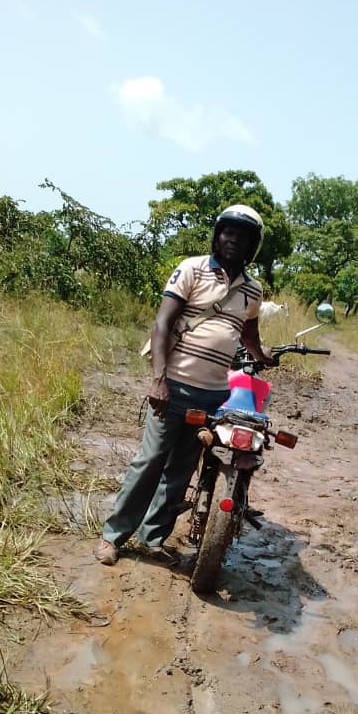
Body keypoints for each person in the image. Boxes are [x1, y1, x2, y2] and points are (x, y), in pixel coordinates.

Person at [96, 204, 276, 566]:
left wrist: (263, 355)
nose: (232, 240)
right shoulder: (192, 269)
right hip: (174, 387)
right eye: (227, 232)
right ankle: (113, 537)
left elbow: (248, 332)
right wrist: (159, 380)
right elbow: (162, 323)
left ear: (252, 245)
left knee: (181, 468)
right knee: (149, 462)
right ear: (217, 234)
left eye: (242, 236)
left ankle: (152, 539)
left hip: (213, 395)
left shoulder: (252, 291)